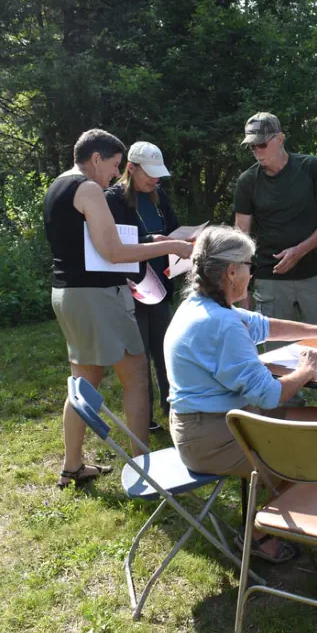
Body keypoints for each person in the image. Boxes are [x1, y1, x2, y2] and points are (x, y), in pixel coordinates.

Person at [164, 225, 317, 562]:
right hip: (209, 438)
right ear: (231, 271)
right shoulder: (220, 323)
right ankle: (257, 534)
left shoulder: (204, 307)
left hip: (213, 423)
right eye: (249, 266)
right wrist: (306, 369)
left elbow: (264, 326)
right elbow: (269, 395)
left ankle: (287, 510)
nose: (251, 274)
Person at [44, 128, 195, 489]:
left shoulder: (58, 185)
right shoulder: (89, 189)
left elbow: (93, 244)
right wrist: (169, 246)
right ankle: (144, 465)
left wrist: (152, 240)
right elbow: (112, 252)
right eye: (114, 165)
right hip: (96, 296)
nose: (116, 174)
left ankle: (72, 466)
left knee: (83, 384)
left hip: (66, 294)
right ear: (96, 158)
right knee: (137, 376)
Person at [234, 112, 317, 432]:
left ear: (280, 138)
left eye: (262, 144)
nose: (256, 151)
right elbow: (240, 237)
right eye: (251, 146)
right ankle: (289, 417)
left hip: (312, 272)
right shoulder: (248, 181)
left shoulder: (310, 168)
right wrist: (241, 289)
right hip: (269, 277)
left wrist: (299, 250)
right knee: (276, 355)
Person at [105, 141, 179, 433]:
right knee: (139, 357)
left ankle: (175, 410)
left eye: (158, 173)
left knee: (165, 352)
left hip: (162, 285)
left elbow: (173, 230)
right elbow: (114, 244)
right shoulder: (113, 199)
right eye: (149, 173)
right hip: (132, 288)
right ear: (131, 169)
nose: (155, 179)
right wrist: (151, 242)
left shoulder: (159, 196)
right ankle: (143, 419)